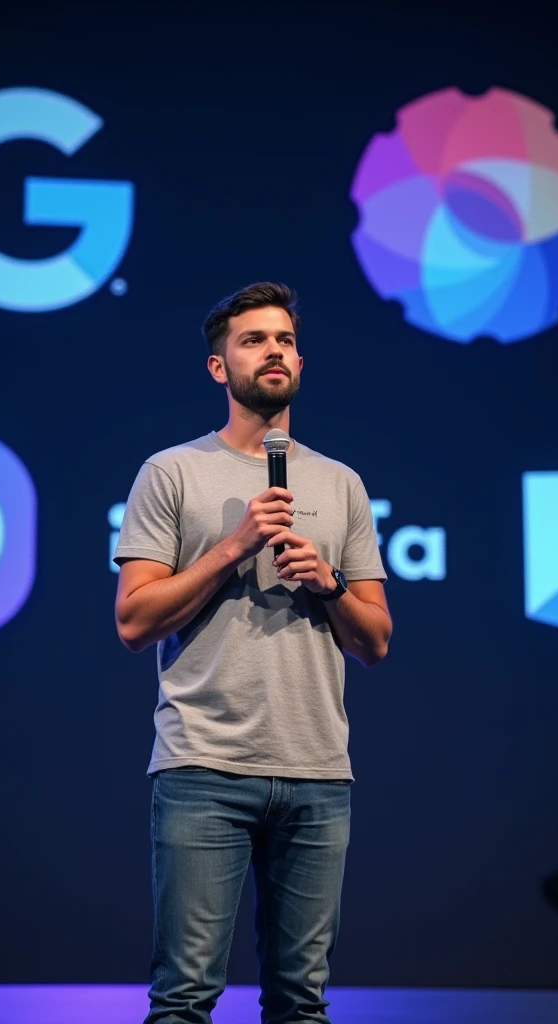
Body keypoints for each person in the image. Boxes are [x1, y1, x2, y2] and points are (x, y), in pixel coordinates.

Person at [113, 282, 392, 1024]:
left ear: (300, 360)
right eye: (253, 340)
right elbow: (134, 622)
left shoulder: (342, 484)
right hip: (204, 766)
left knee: (301, 1005)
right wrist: (233, 548)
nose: (274, 351)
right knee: (184, 1001)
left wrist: (329, 584)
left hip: (316, 773)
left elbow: (377, 641)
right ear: (218, 367)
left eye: (284, 340)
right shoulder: (170, 473)